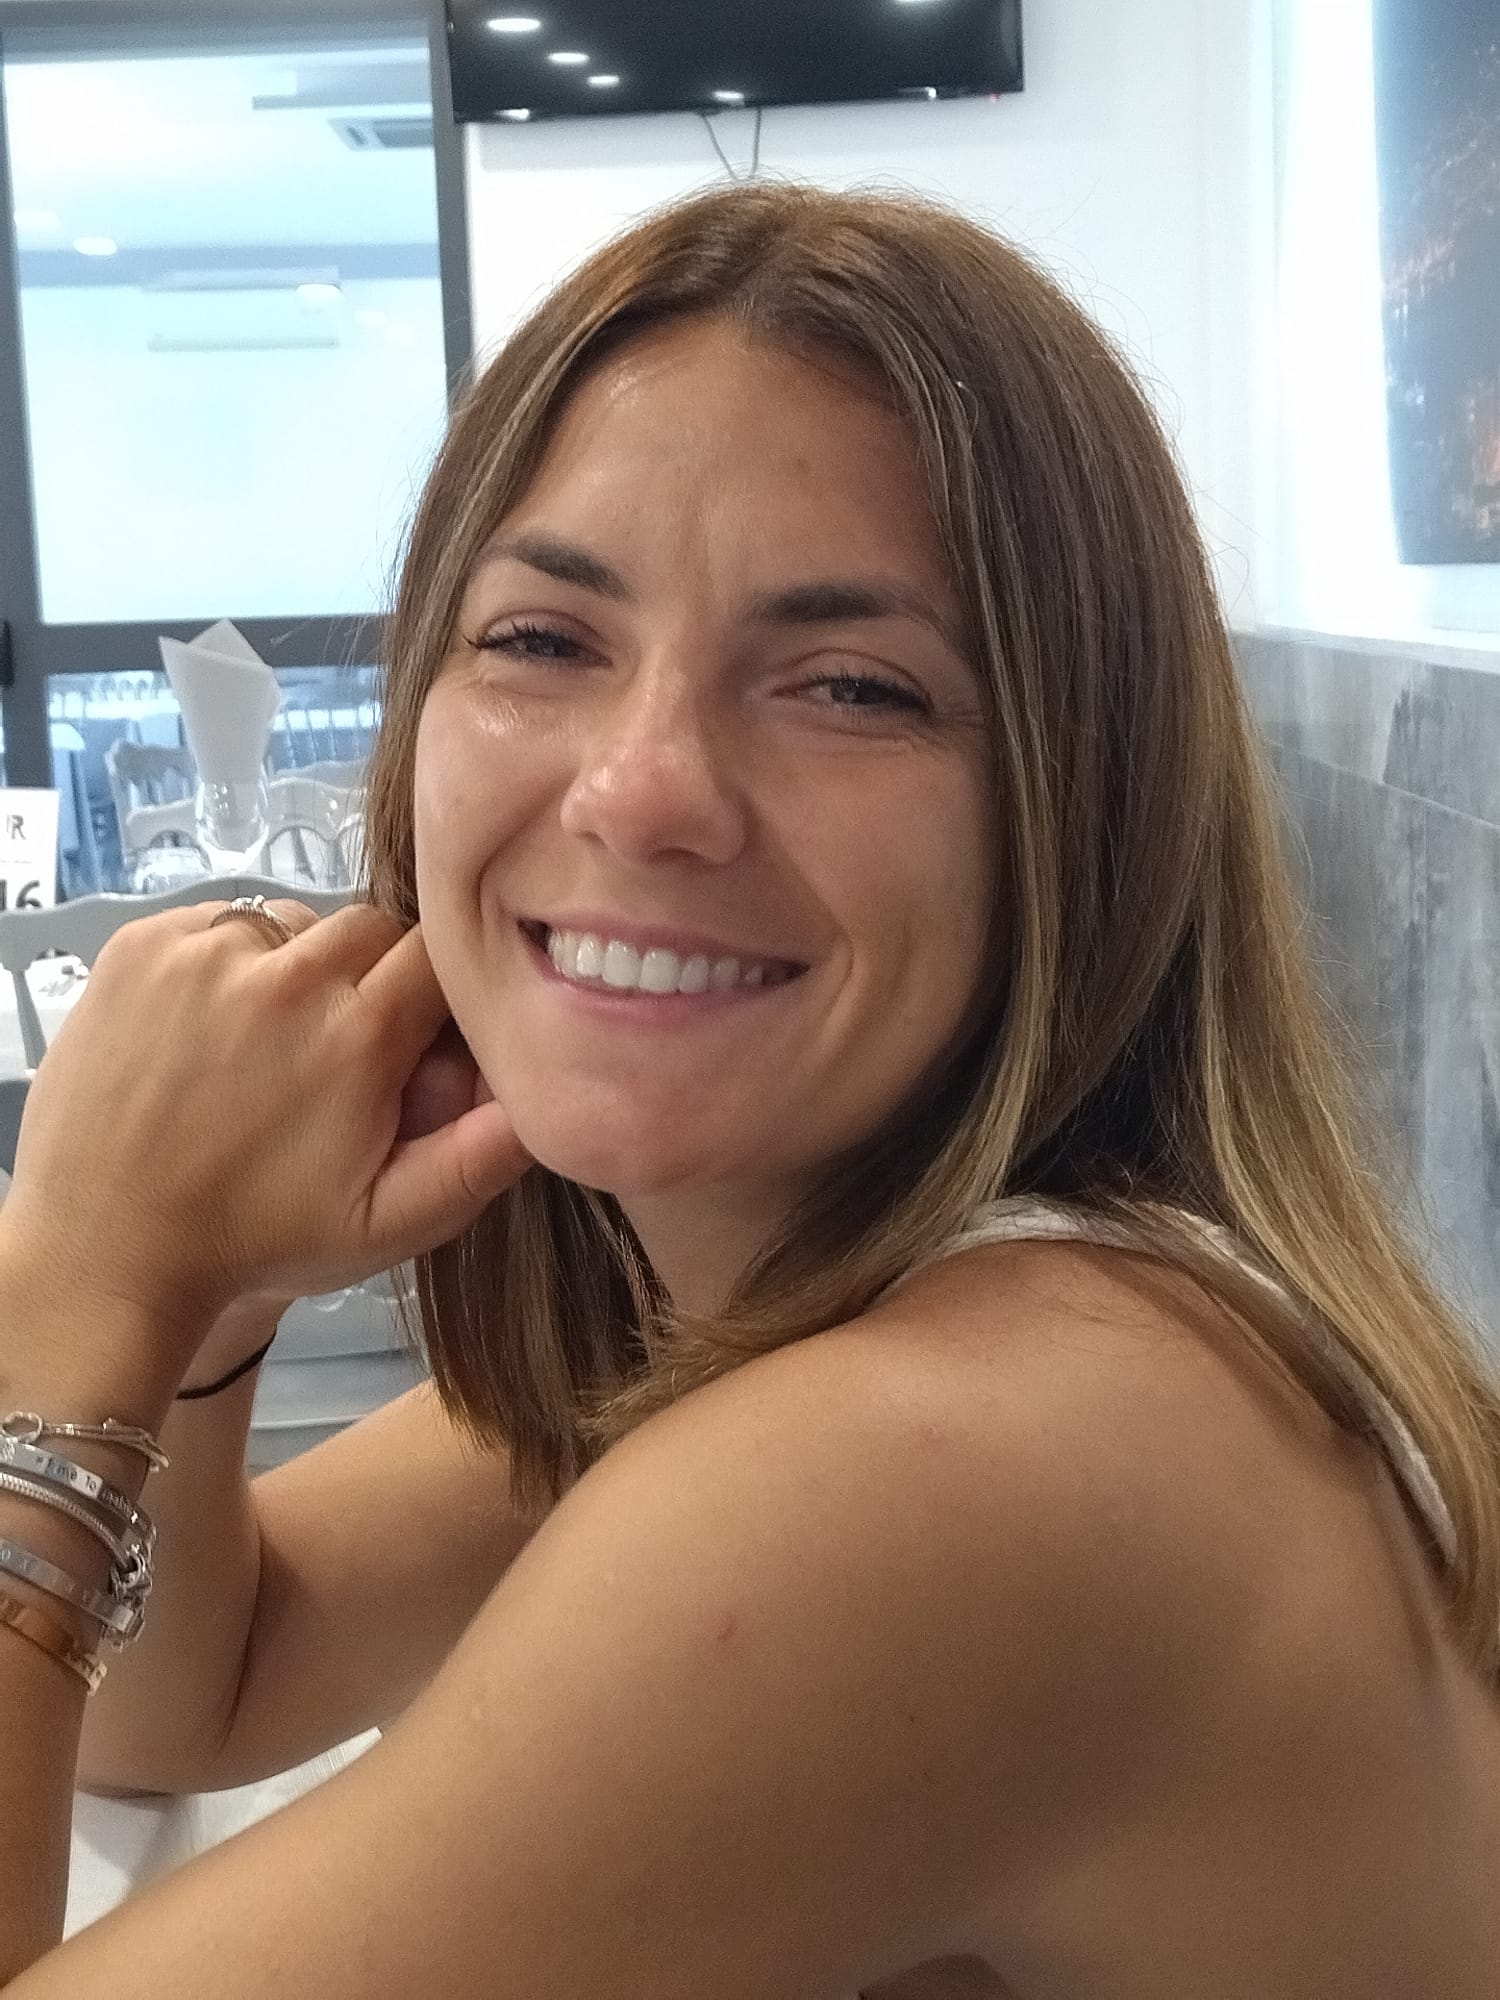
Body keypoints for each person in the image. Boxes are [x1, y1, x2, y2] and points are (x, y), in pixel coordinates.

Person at [0, 180, 1497, 1998]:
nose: (641, 792)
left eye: (851, 685)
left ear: (1076, 809)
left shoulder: (951, 1470)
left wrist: (71, 1275)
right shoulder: (810, 1293)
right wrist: (199, 1290)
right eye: (543, 640)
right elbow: (189, 1696)